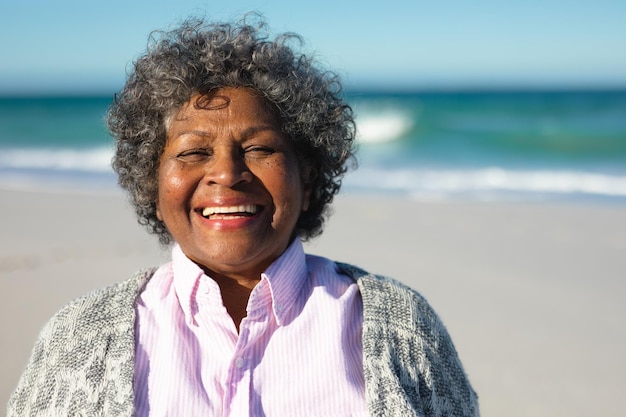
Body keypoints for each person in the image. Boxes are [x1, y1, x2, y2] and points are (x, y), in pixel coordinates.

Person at [8, 16, 479, 417]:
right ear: (153, 185)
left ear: (307, 176)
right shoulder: (78, 337)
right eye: (193, 151)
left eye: (259, 148)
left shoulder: (401, 327)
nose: (227, 174)